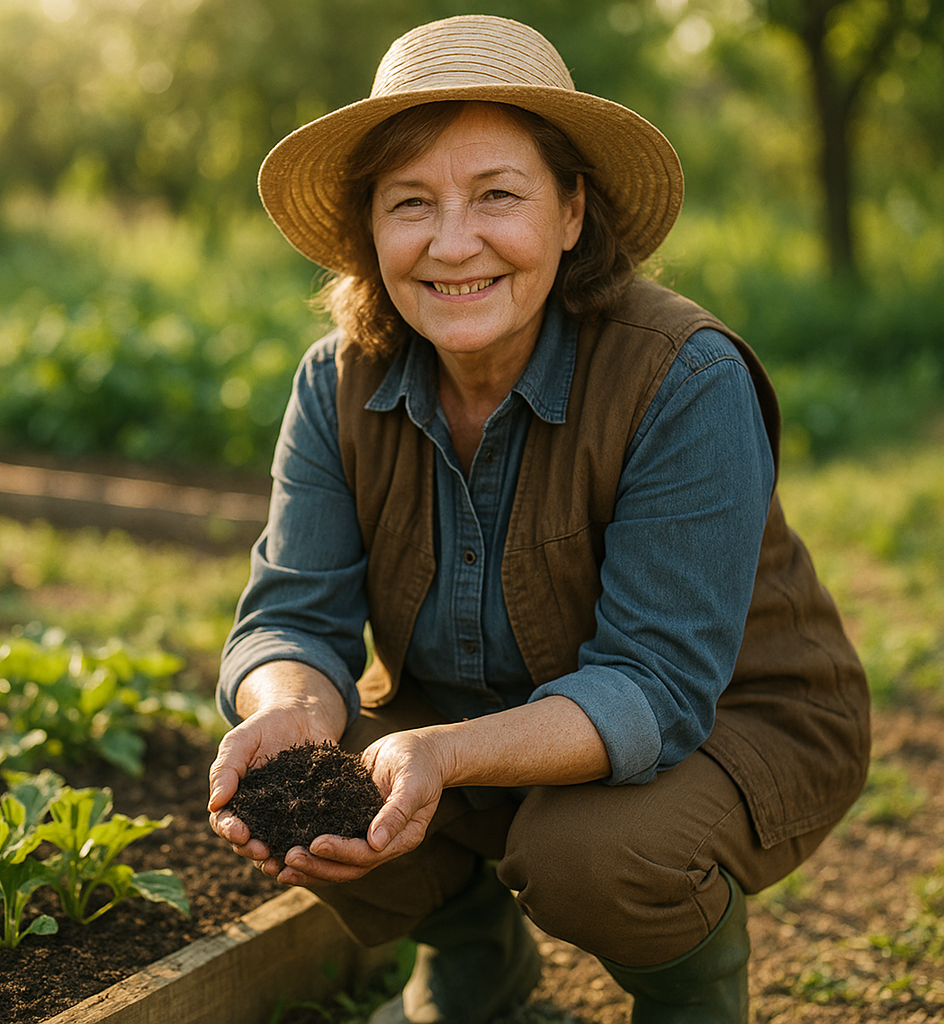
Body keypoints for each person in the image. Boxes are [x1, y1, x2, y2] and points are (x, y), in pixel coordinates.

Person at [208, 15, 870, 1024]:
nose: (451, 242)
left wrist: (445, 752)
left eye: (498, 196)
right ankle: (476, 968)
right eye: (411, 204)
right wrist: (287, 708)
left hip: (729, 721)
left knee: (589, 852)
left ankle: (696, 1001)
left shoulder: (681, 376)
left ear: (572, 212)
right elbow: (293, 614)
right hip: (475, 711)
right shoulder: (337, 382)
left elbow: (654, 684)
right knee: (308, 781)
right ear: (370, 229)